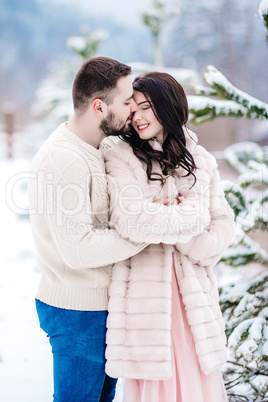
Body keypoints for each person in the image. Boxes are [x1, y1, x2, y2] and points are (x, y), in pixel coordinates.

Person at [104, 72, 236, 402]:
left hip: (195, 307)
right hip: (146, 310)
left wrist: (177, 228)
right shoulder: (120, 155)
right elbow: (130, 221)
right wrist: (190, 218)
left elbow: (220, 231)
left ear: (168, 105)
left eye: (146, 106)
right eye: (132, 109)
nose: (137, 116)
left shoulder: (202, 161)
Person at [27, 56, 150, 402]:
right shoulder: (63, 159)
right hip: (77, 312)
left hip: (98, 307)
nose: (133, 110)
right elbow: (78, 247)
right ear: (99, 107)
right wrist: (146, 233)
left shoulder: (101, 146)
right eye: (127, 102)